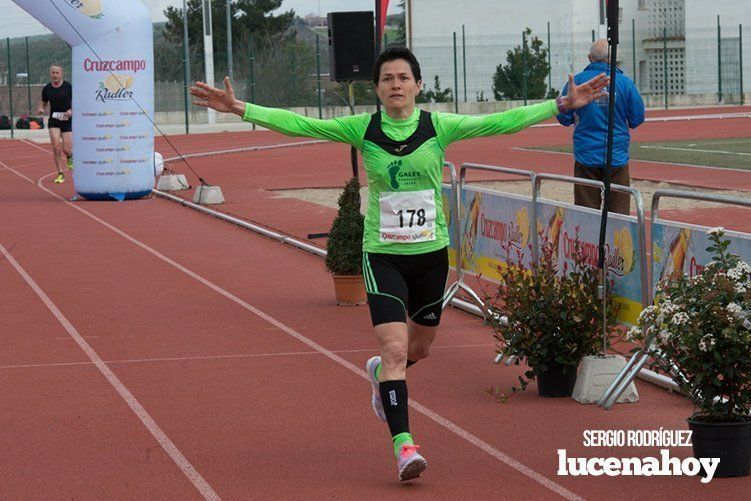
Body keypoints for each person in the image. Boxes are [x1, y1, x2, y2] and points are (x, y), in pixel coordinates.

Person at [191, 47, 607, 482]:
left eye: (403, 78)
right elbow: (302, 124)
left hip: (430, 256)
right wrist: (240, 108)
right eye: (387, 78)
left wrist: (560, 104)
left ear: (418, 85)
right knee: (393, 349)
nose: (395, 85)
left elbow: (500, 121)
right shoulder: (363, 128)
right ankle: (404, 447)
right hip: (383, 255)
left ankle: (380, 376)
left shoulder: (437, 126)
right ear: (377, 89)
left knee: (419, 349)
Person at [556, 39, 645, 215]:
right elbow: (637, 118)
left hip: (586, 156)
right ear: (611, 58)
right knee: (618, 212)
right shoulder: (625, 83)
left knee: (586, 212)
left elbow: (563, 117)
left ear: (589, 58)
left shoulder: (578, 82)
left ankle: (587, 241)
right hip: (616, 156)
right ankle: (617, 242)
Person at [38, 64, 73, 184]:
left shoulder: (68, 87)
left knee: (67, 149)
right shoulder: (47, 88)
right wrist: (41, 109)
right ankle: (60, 174)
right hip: (54, 120)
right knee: (56, 146)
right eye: (53, 73)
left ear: (61, 73)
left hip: (67, 120)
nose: (55, 75)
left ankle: (70, 156)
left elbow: (78, 101)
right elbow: (43, 102)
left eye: (57, 73)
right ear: (50, 74)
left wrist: (71, 110)